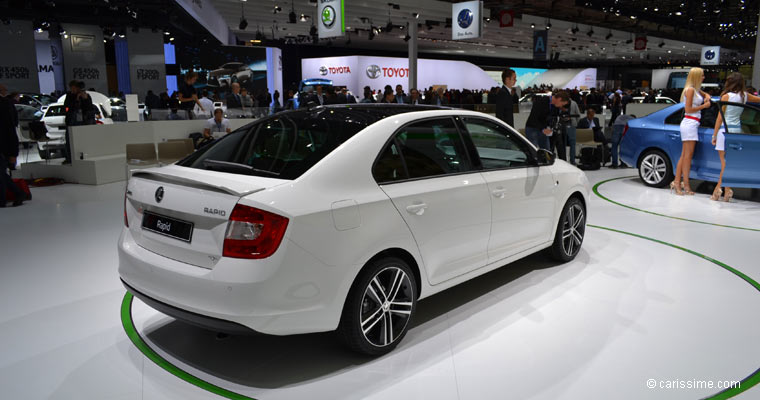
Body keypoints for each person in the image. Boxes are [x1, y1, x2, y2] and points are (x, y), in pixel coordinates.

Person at [711, 72, 760, 201]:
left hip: (724, 131)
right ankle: (726, 191)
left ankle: (719, 190)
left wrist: (714, 135)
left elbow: (720, 117)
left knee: (724, 163)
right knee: (729, 163)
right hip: (737, 131)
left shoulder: (726, 96)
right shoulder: (744, 96)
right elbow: (758, 99)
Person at [672, 67, 710, 196]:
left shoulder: (696, 89)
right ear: (696, 77)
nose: (704, 77)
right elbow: (688, 109)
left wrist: (707, 96)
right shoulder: (690, 90)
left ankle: (679, 182)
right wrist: (704, 106)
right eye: (702, 75)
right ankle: (681, 183)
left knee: (686, 156)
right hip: (690, 123)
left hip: (693, 123)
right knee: (686, 156)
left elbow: (706, 95)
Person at [0, 84, 24, 207]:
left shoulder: (5, 104)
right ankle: (18, 193)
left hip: (4, 144)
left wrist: (13, 153)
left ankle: (4, 199)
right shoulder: (7, 104)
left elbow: (10, 128)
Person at [62, 80, 94, 164]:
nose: (72, 90)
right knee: (69, 141)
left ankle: (83, 157)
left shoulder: (86, 96)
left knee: (82, 141)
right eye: (71, 88)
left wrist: (85, 99)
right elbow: (67, 107)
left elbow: (89, 108)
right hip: (71, 121)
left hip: (82, 122)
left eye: (74, 88)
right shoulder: (69, 96)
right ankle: (69, 158)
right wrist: (76, 99)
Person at [543, 90, 571, 160]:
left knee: (561, 149)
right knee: (550, 148)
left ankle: (563, 162)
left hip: (559, 131)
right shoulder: (554, 106)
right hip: (551, 130)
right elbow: (548, 117)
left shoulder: (560, 109)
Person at [566, 97, 581, 165]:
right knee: (571, 143)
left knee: (571, 143)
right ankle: (571, 160)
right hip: (568, 125)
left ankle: (571, 160)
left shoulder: (573, 103)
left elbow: (578, 114)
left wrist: (576, 124)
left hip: (570, 124)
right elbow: (578, 114)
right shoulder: (574, 103)